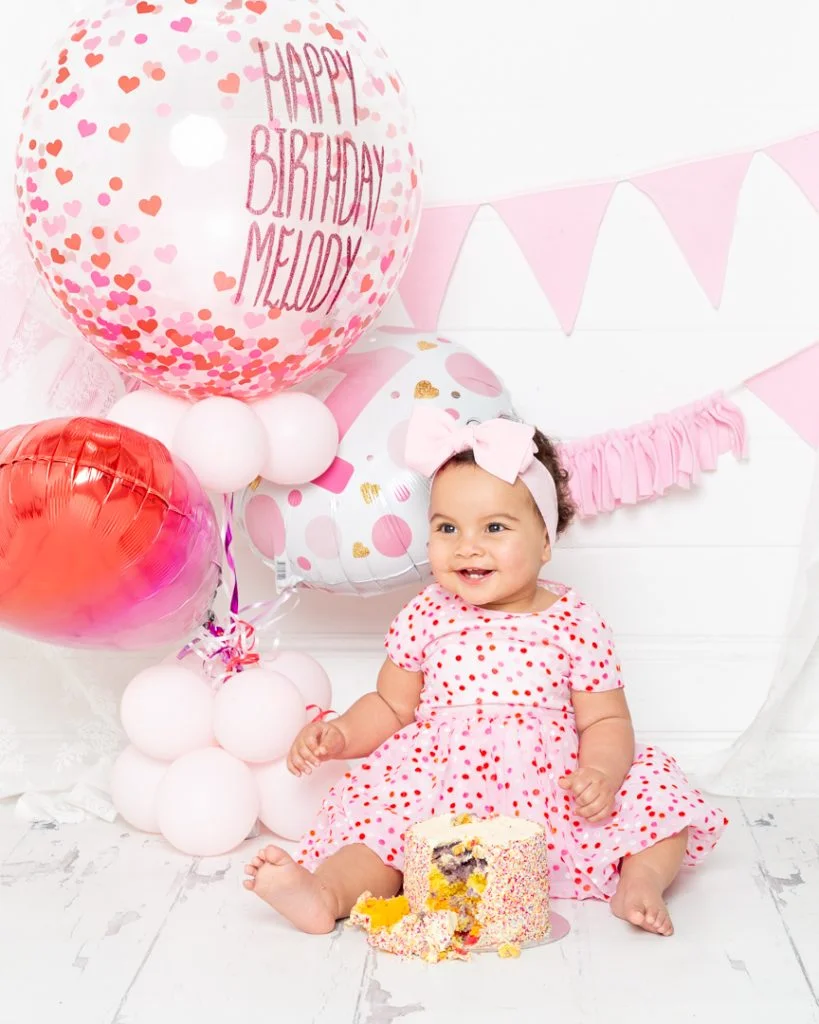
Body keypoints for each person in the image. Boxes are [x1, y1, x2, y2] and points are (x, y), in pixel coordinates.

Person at [245, 406, 727, 937]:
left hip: (549, 795)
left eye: (494, 527)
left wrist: (602, 775)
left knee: (658, 791)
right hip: (438, 787)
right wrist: (340, 734)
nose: (468, 545)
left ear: (545, 541)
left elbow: (606, 720)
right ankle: (325, 893)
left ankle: (640, 883)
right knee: (379, 834)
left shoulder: (572, 619)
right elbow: (390, 705)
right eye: (447, 527)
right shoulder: (427, 612)